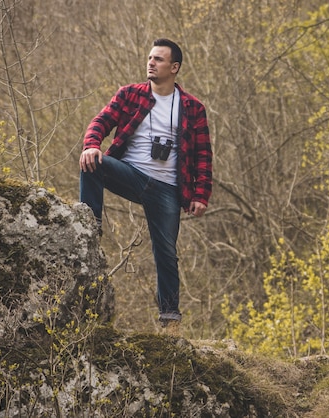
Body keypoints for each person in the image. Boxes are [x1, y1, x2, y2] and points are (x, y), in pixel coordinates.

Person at [79, 38, 212, 334]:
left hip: (167, 189)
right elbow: (100, 122)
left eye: (159, 59)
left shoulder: (192, 108)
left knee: (166, 253)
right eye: (150, 58)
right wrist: (91, 144)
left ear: (174, 67)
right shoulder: (129, 95)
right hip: (129, 173)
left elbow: (203, 154)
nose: (151, 62)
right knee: (92, 161)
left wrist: (200, 195)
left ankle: (170, 320)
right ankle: (88, 226)